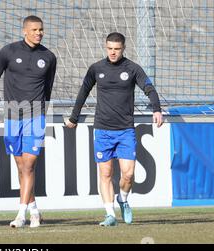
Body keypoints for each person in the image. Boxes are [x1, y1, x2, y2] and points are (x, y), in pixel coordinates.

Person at [65, 32, 163, 226]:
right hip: (102, 129)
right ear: (105, 47)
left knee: (128, 174)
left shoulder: (133, 68)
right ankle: (110, 214)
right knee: (106, 174)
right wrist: (74, 117)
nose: (113, 52)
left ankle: (123, 199)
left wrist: (157, 109)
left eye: (117, 49)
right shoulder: (96, 68)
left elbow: (149, 89)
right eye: (109, 48)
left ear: (123, 48)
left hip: (125, 130)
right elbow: (83, 91)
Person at [0, 15, 57, 228]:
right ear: (24, 31)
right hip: (12, 116)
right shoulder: (9, 51)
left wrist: (43, 111)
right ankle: (34, 210)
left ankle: (21, 214)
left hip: (35, 116)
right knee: (21, 166)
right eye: (34, 30)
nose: (39, 33)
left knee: (29, 165)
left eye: (41, 30)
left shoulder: (49, 57)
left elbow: (48, 88)